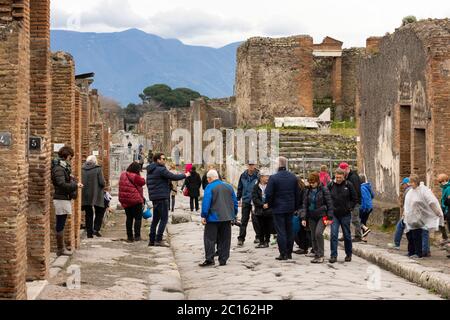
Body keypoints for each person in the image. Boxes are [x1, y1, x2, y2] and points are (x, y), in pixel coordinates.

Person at [147, 153, 189, 247]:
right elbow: (173, 176)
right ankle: (158, 240)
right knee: (164, 219)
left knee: (155, 219)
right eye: (163, 158)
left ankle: (151, 240)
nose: (165, 160)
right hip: (162, 197)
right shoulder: (161, 169)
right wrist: (185, 175)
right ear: (158, 160)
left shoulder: (150, 170)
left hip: (155, 197)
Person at [200, 170, 238, 267]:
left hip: (213, 218)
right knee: (225, 239)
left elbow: (206, 203)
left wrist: (204, 215)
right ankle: (223, 259)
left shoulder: (209, 187)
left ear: (209, 178)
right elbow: (234, 201)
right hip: (226, 217)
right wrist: (233, 214)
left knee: (209, 239)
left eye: (207, 179)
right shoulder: (229, 186)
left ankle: (210, 259)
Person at [265, 157, 300, 261]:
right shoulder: (293, 177)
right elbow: (297, 194)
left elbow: (269, 194)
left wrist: (270, 205)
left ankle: (283, 253)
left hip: (278, 208)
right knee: (289, 230)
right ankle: (289, 253)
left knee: (281, 231)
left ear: (278, 165)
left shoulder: (273, 178)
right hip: (290, 208)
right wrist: (295, 207)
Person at [51, 146, 84, 256]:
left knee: (62, 222)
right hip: (61, 198)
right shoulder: (58, 168)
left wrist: (70, 178)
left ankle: (62, 248)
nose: (71, 159)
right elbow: (61, 184)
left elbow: (63, 180)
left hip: (63, 198)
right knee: (60, 223)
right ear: (67, 156)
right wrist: (75, 185)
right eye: (70, 157)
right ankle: (61, 249)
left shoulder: (62, 167)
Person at [404, 174, 444, 258]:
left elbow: (431, 202)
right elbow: (407, 204)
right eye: (409, 183)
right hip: (412, 217)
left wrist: (437, 212)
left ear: (415, 182)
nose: (410, 184)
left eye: (411, 182)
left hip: (422, 217)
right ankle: (413, 252)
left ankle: (421, 253)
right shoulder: (411, 192)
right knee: (411, 235)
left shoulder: (423, 191)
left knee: (419, 235)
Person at [301, 172, 334, 263]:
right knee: (313, 235)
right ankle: (316, 253)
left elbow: (330, 204)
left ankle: (321, 255)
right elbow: (304, 204)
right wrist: (303, 218)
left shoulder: (324, 189)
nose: (311, 184)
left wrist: (330, 217)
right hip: (311, 216)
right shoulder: (307, 190)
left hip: (322, 215)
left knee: (318, 233)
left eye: (313, 182)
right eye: (310, 183)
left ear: (317, 181)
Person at [328, 168, 357, 263]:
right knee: (333, 234)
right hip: (334, 215)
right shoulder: (331, 185)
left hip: (345, 214)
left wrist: (350, 207)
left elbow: (355, 198)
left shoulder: (348, 185)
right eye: (336, 177)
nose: (338, 179)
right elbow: (326, 197)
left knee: (347, 235)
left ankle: (348, 254)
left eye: (340, 177)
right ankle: (333, 255)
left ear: (344, 176)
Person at [119, 162, 146, 242]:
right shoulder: (135, 176)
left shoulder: (123, 174)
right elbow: (142, 182)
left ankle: (129, 236)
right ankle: (137, 236)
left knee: (129, 218)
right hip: (135, 200)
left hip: (125, 200)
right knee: (138, 218)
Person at [81, 155, 106, 238]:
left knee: (88, 213)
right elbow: (102, 182)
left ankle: (89, 233)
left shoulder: (82, 168)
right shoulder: (97, 169)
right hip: (97, 194)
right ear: (95, 162)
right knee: (100, 210)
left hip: (85, 194)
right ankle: (96, 229)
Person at [237, 161, 260, 247]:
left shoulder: (258, 175)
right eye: (249, 165)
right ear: (247, 165)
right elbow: (240, 187)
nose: (251, 166)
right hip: (246, 200)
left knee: (256, 219)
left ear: (255, 165)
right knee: (244, 220)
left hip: (255, 201)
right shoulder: (243, 175)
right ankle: (241, 238)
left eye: (252, 165)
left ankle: (258, 236)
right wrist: (238, 198)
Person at [339, 162, 363, 242]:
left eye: (342, 171)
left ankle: (358, 236)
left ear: (346, 169)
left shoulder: (353, 177)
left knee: (355, 219)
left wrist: (353, 203)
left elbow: (356, 192)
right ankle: (345, 235)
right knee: (345, 219)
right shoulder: (347, 177)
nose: (341, 173)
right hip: (347, 203)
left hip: (354, 203)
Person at [252, 169, 273, 248]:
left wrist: (268, 204)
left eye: (268, 176)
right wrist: (262, 205)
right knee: (260, 226)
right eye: (266, 176)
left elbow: (272, 196)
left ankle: (267, 241)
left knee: (268, 226)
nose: (267, 178)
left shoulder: (270, 186)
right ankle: (261, 241)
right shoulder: (256, 187)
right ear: (261, 177)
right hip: (259, 210)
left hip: (268, 210)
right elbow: (254, 198)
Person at [388, 178, 411, 250]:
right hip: (411, 213)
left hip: (408, 213)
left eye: (403, 184)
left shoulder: (407, 191)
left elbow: (405, 203)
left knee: (400, 226)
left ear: (406, 184)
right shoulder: (412, 190)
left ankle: (396, 244)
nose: (402, 186)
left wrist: (404, 213)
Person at [294, 177, 311, 255]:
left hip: (301, 212)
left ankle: (303, 248)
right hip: (304, 212)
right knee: (304, 230)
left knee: (301, 231)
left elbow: (300, 202)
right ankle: (304, 247)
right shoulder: (304, 189)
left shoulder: (298, 190)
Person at [359, 174, 375, 241]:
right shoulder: (368, 186)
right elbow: (373, 195)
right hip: (370, 207)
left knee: (356, 220)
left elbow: (363, 198)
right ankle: (365, 238)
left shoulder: (360, 188)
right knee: (364, 221)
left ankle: (365, 229)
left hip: (363, 207)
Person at [437, 173, 450, 246]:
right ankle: (445, 237)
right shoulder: (444, 187)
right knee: (440, 222)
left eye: (440, 181)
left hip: (447, 209)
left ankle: (446, 238)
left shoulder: (448, 188)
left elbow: (448, 200)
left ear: (445, 180)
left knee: (445, 223)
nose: (440, 183)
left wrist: (446, 209)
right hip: (443, 208)